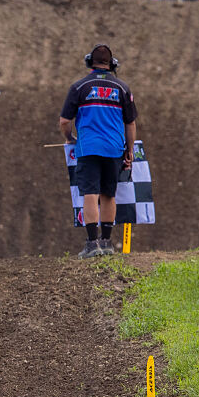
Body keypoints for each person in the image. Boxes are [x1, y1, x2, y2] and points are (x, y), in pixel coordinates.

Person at [59, 43, 137, 259]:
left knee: (90, 194)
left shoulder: (79, 87)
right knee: (109, 195)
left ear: (89, 62)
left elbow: (65, 121)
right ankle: (107, 242)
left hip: (88, 148)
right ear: (112, 64)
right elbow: (130, 123)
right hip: (114, 149)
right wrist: (129, 150)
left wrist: (70, 138)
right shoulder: (122, 88)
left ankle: (92, 244)